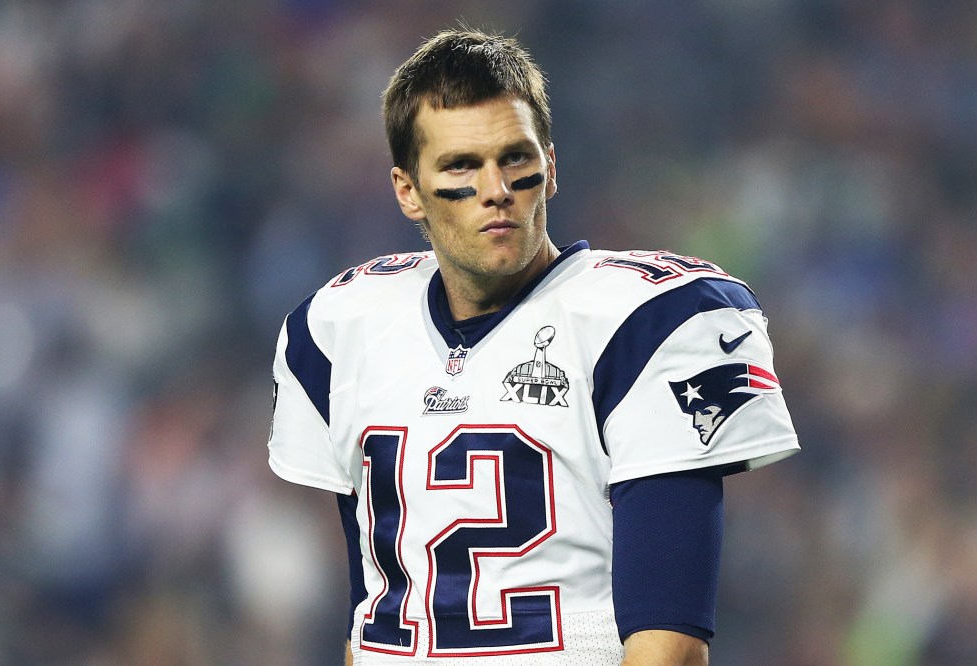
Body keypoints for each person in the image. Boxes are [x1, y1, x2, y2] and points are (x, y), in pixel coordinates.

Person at [267, 27, 799, 666]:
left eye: (515, 158)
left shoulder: (648, 320)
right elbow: (374, 618)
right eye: (462, 165)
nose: (495, 188)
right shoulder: (339, 328)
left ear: (551, 167)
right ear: (408, 190)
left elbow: (670, 644)